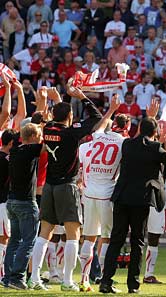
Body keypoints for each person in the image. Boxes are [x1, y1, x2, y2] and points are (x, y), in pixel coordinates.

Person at [100, 105, 166, 294]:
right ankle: (133, 284)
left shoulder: (127, 144)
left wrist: (149, 119)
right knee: (137, 241)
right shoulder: (154, 148)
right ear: (155, 132)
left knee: (116, 239)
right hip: (141, 199)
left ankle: (106, 281)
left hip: (122, 197)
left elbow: (140, 138)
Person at [29, 86, 102, 292]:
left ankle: (34, 278)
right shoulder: (71, 133)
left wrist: (53, 101)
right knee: (73, 235)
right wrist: (83, 97)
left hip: (49, 186)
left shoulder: (48, 128)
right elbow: (96, 117)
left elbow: (39, 119)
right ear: (70, 116)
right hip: (66, 186)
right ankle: (67, 280)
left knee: (44, 233)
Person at [77, 97, 126, 292]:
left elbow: (100, 125)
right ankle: (105, 280)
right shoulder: (123, 143)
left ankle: (84, 279)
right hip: (107, 193)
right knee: (106, 238)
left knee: (89, 237)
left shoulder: (97, 137)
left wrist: (111, 110)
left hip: (89, 193)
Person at [4, 123, 43, 290]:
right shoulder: (30, 150)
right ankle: (17, 277)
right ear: (33, 138)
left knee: (14, 241)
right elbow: (47, 145)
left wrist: (39, 124)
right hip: (26, 202)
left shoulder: (15, 150)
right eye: (39, 136)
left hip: (11, 202)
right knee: (28, 241)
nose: (41, 138)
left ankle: (7, 278)